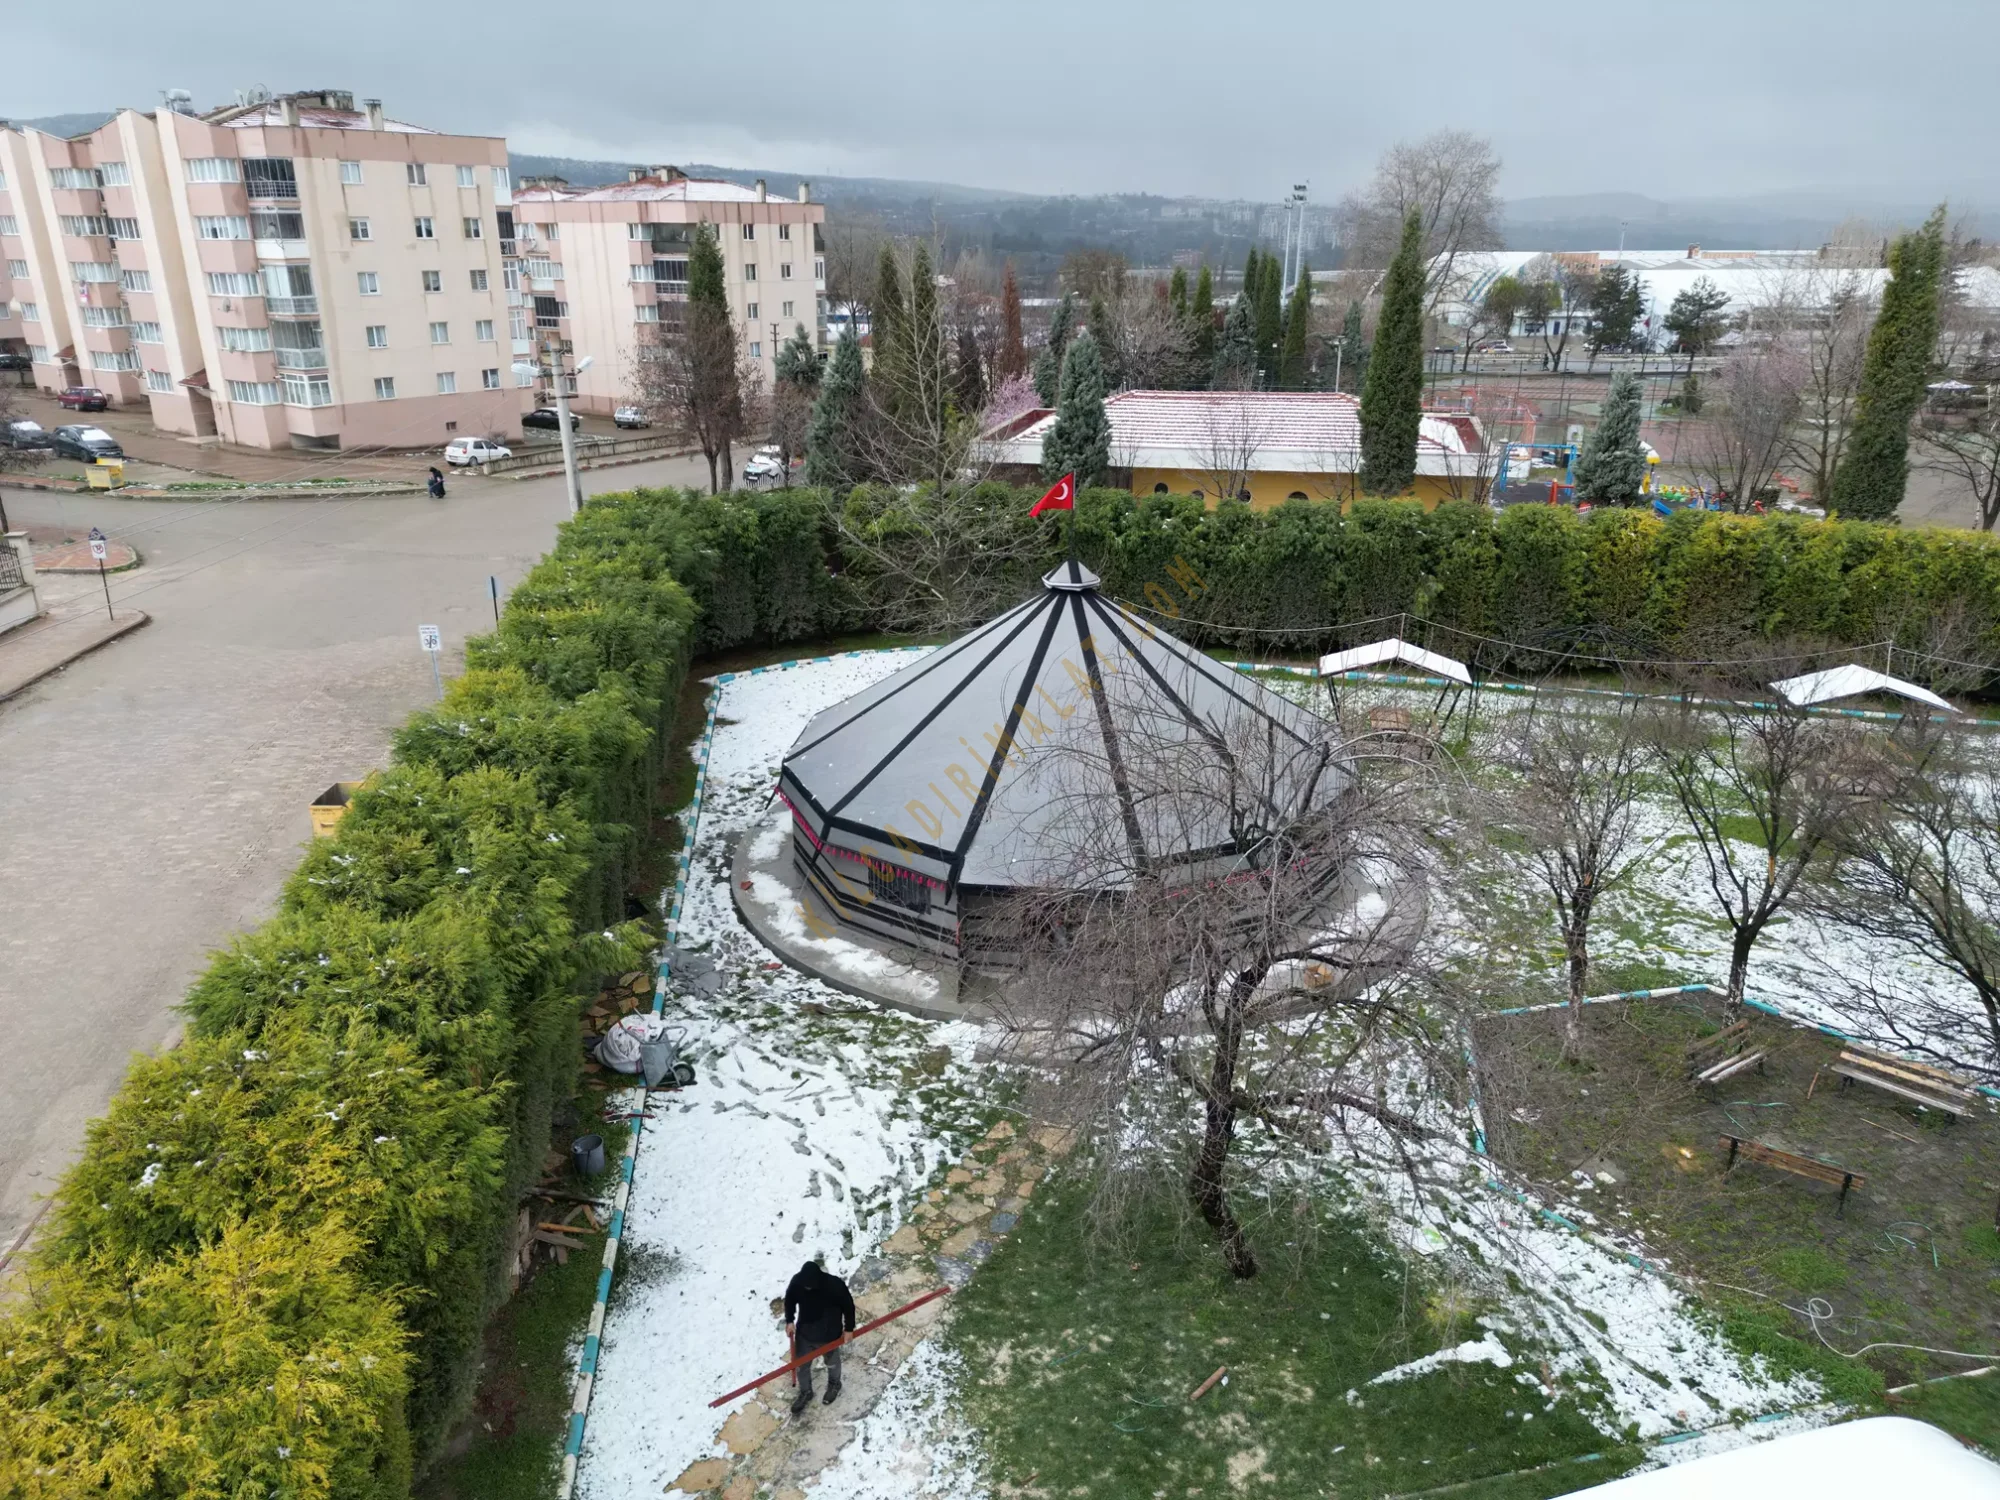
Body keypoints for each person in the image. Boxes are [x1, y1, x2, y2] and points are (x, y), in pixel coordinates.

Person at [783, 1259, 855, 1415]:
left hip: (829, 1334)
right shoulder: (798, 1282)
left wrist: (849, 1329)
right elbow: (789, 1300)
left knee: (832, 1362)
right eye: (805, 1286)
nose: (807, 1288)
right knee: (801, 1365)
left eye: (810, 1286)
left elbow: (848, 1306)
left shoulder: (834, 1285)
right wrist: (789, 1320)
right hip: (805, 1333)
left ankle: (835, 1384)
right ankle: (806, 1392)